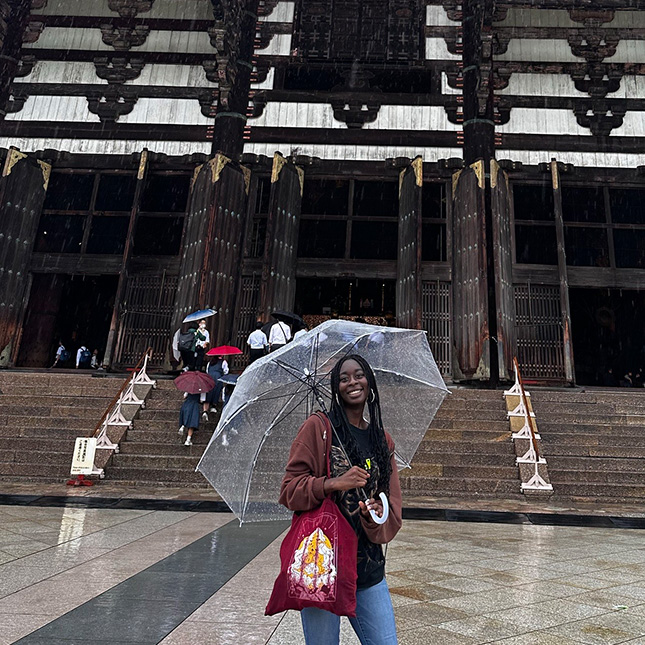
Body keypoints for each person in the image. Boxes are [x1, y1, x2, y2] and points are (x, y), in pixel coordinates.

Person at [279, 354, 401, 645]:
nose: (352, 383)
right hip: (322, 564)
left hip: (367, 567)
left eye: (359, 375)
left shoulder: (381, 440)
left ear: (369, 382)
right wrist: (334, 482)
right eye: (343, 378)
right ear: (336, 387)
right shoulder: (318, 428)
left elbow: (392, 503)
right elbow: (289, 489)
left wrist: (376, 515)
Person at [203, 354, 229, 420]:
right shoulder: (223, 362)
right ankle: (213, 406)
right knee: (216, 391)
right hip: (218, 377)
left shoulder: (210, 362)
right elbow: (226, 371)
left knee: (208, 393)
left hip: (209, 377)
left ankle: (205, 411)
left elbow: (207, 371)